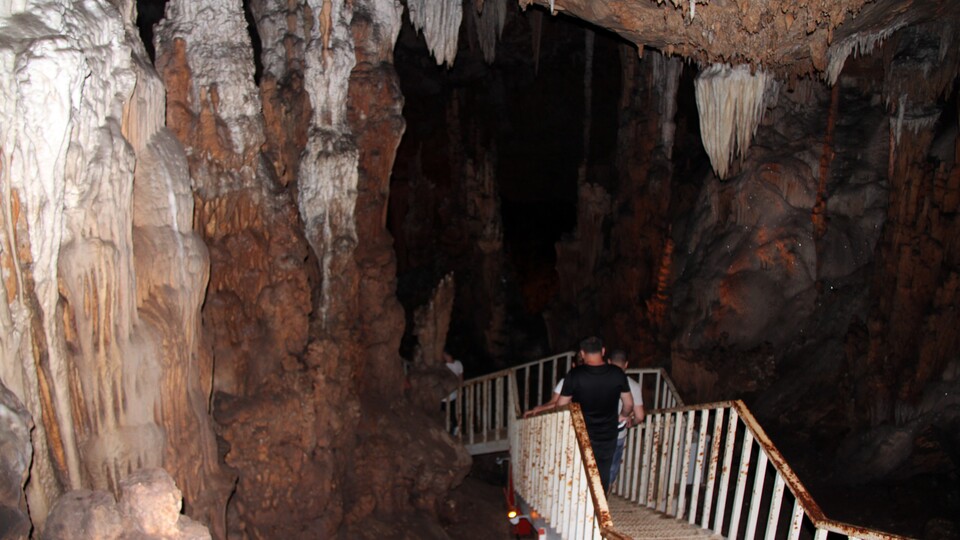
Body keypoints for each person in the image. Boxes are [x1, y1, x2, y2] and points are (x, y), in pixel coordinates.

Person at [556, 337, 633, 493]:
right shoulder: (617, 373)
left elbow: (561, 405)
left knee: (580, 472)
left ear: (582, 353)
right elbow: (629, 404)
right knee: (602, 474)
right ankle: (599, 504)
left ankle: (581, 503)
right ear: (603, 351)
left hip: (582, 434)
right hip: (608, 434)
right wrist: (623, 415)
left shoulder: (575, 375)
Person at [607, 350, 645, 490]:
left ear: (608, 362)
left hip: (595, 431)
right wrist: (631, 422)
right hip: (618, 434)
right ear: (626, 364)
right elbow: (640, 416)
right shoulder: (633, 385)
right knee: (611, 470)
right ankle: (603, 497)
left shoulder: (597, 379)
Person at [443, 350, 463, 435]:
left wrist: (460, 389)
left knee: (450, 412)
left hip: (449, 393)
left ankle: (455, 427)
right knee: (451, 411)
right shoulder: (458, 363)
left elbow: (460, 377)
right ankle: (454, 428)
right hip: (450, 392)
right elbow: (460, 377)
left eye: (444, 355)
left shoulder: (447, 365)